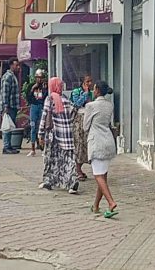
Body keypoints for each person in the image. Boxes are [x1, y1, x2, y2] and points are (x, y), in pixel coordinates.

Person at [37, 77, 79, 193]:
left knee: (51, 158)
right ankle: (71, 183)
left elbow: (44, 117)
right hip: (67, 134)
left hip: (53, 135)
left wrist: (40, 133)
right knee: (68, 158)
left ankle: (49, 181)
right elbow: (73, 112)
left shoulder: (50, 99)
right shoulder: (66, 99)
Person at [85, 81, 117, 218]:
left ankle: (111, 202)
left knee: (98, 176)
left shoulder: (90, 106)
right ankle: (96, 205)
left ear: (97, 90)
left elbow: (85, 126)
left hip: (96, 142)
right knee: (102, 176)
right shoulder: (109, 105)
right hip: (108, 142)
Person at [70, 75, 95, 179]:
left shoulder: (92, 93)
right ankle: (77, 169)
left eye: (91, 81)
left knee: (85, 144)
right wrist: (84, 93)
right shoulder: (76, 92)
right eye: (87, 81)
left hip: (88, 119)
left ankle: (80, 168)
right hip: (78, 120)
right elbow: (77, 104)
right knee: (79, 144)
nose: (90, 83)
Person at [0, 59, 20, 154]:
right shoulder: (8, 77)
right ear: (11, 65)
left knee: (10, 126)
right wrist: (5, 106)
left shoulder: (13, 76)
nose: (18, 67)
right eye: (16, 65)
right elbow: (5, 92)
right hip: (9, 106)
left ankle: (9, 145)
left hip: (13, 105)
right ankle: (6, 146)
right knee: (7, 126)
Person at [26, 70, 48, 157]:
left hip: (41, 106)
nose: (39, 80)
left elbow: (46, 97)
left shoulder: (45, 86)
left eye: (41, 78)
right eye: (38, 78)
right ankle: (32, 149)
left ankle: (42, 148)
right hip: (34, 107)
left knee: (41, 127)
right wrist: (32, 89)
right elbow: (28, 97)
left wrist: (45, 89)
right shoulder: (31, 86)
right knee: (33, 126)